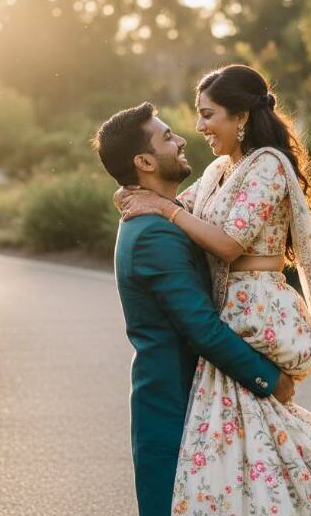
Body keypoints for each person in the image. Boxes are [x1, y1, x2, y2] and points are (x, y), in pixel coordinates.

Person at [117, 65, 311, 515]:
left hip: (257, 313)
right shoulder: (217, 170)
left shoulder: (268, 164)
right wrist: (138, 196)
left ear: (242, 117)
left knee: (253, 431)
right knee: (254, 441)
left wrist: (161, 209)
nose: (199, 127)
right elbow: (181, 206)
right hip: (231, 311)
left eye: (208, 114)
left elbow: (228, 244)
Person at [91, 102, 296, 516]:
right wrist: (270, 379)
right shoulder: (152, 235)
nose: (182, 138)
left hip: (198, 406)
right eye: (167, 137)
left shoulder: (169, 215)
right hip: (173, 408)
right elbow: (201, 328)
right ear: (145, 161)